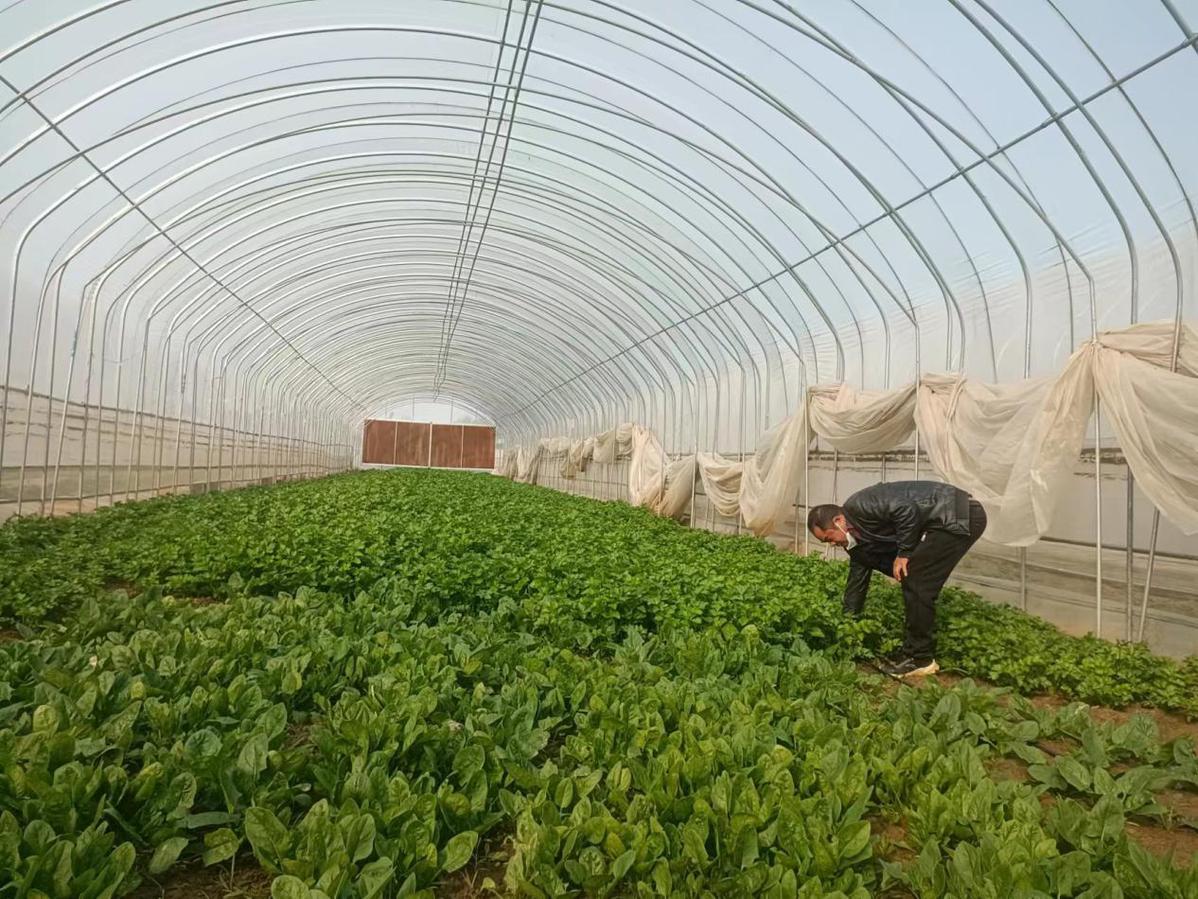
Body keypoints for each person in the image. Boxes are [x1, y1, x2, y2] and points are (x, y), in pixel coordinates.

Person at [807, 480, 987, 678]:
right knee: (913, 576)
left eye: (828, 538)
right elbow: (857, 579)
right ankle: (912, 651)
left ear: (838, 521)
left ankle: (919, 658)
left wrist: (905, 553)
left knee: (917, 579)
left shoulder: (860, 504)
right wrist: (848, 621)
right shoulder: (856, 544)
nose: (831, 544)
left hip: (960, 511)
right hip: (948, 516)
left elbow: (905, 509)